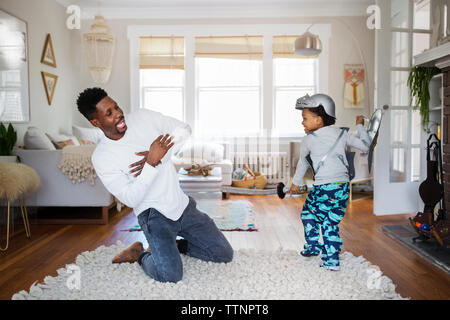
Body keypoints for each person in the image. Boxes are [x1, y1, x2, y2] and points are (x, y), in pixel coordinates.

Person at [76, 87, 233, 283]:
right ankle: (140, 255)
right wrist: (150, 162)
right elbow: (129, 198)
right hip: (153, 216)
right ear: (96, 122)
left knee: (223, 254)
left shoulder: (143, 118)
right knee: (170, 275)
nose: (118, 114)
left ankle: (175, 246)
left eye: (116, 107)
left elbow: (184, 129)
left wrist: (161, 156)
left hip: (181, 205)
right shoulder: (102, 157)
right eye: (109, 113)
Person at [290, 93, 371, 271]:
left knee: (308, 215)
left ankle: (320, 251)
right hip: (340, 188)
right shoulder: (342, 133)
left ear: (318, 120)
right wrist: (360, 126)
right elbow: (366, 146)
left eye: (305, 118)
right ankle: (326, 256)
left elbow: (303, 162)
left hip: (323, 188)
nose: (302, 122)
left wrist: (295, 184)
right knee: (329, 222)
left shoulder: (308, 140)